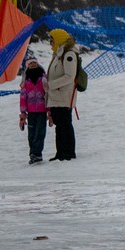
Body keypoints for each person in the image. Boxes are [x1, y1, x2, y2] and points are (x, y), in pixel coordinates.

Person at [44, 28, 82, 160]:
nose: (50, 43)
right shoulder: (58, 54)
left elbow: (69, 76)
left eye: (52, 40)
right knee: (59, 125)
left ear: (58, 40)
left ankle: (69, 153)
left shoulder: (68, 54)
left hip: (64, 97)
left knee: (65, 125)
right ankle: (60, 153)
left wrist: (51, 85)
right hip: (56, 96)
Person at [18, 56, 49, 164]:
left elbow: (47, 93)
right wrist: (23, 111)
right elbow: (23, 96)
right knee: (31, 133)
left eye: (34, 63)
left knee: (40, 132)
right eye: (31, 63)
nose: (33, 65)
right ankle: (33, 153)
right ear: (28, 65)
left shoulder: (43, 77)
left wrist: (49, 109)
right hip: (31, 111)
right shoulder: (26, 80)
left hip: (42, 109)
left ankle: (37, 154)